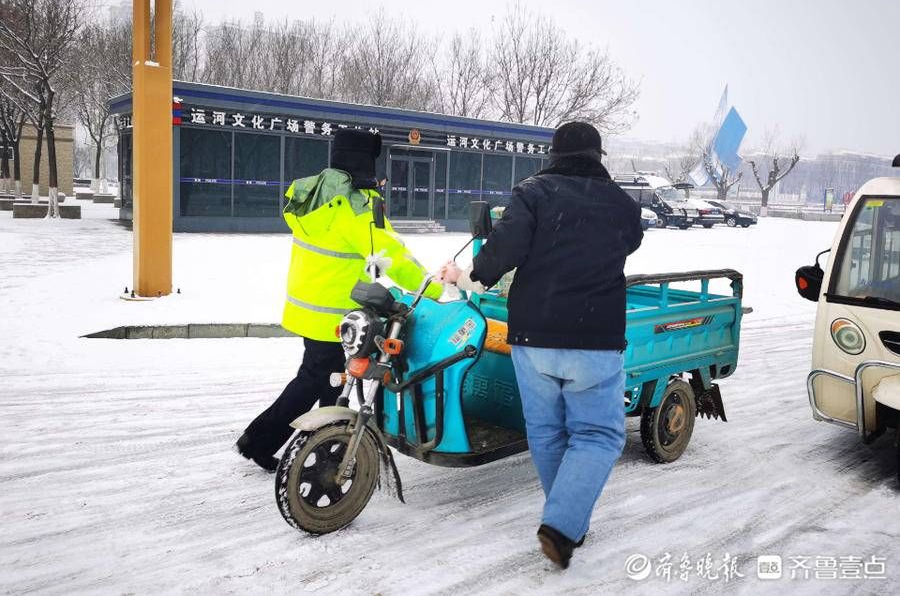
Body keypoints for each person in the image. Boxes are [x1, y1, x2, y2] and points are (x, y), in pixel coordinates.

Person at [440, 121, 643, 569]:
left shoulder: (534, 192)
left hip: (533, 336)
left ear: (554, 155)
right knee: (599, 434)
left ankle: (565, 521)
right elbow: (631, 241)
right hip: (594, 338)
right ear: (598, 156)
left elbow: (502, 249)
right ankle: (562, 524)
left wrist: (468, 278)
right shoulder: (622, 204)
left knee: (547, 431)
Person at [237, 129, 442, 472]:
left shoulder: (318, 192)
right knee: (315, 379)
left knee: (335, 380)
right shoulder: (353, 206)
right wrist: (432, 289)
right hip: (331, 312)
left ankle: (329, 444)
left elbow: (354, 254)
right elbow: (391, 254)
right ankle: (258, 441)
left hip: (308, 304)